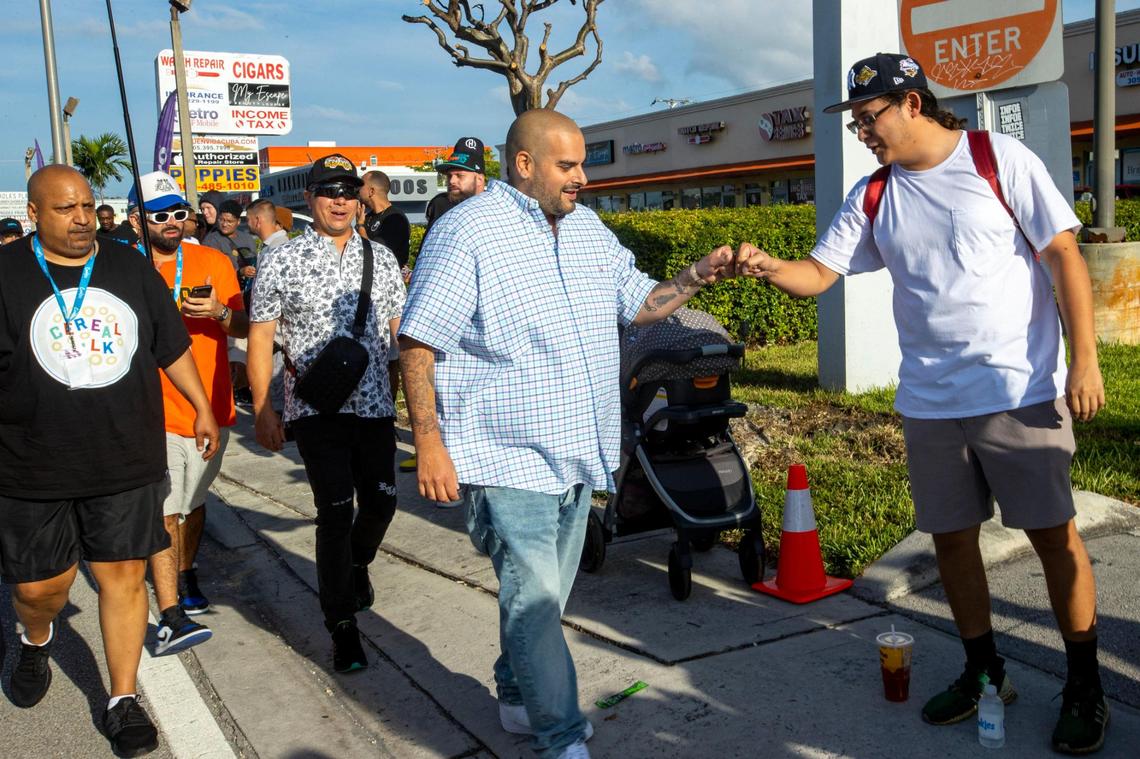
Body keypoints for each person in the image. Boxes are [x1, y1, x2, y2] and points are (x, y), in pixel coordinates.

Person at [738, 53, 1109, 755]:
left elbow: (1063, 252)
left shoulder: (997, 159)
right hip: (932, 404)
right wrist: (763, 266)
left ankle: (1085, 681)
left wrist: (1084, 360)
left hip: (1019, 391)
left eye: (869, 117)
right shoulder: (875, 194)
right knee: (951, 538)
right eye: (855, 121)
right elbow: (820, 273)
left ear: (912, 103)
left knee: (1053, 535)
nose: (862, 132)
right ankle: (983, 669)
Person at [399, 109, 739, 759]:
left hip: (577, 453)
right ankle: (559, 738)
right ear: (524, 164)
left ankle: (516, 694)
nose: (583, 176)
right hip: (503, 456)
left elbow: (638, 301)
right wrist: (430, 440)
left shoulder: (586, 229)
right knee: (533, 600)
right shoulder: (468, 230)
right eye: (568, 165)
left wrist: (696, 275)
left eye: (583, 163)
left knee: (542, 601)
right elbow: (418, 339)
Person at [0, 165, 219, 757]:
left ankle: (122, 699)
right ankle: (36, 634)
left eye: (86, 206)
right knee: (43, 586)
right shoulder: (5, 274)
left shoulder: (129, 267)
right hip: (31, 464)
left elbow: (168, 344)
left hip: (125, 456)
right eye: (65, 209)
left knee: (122, 577)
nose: (80, 219)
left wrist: (200, 405)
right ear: (35, 216)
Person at [247, 154, 405, 674]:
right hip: (314, 408)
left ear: (359, 197)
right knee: (335, 511)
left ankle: (356, 563)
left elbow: (400, 330)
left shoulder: (379, 258)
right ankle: (342, 625)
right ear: (310, 198)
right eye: (329, 190)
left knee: (381, 504)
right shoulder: (281, 260)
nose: (340, 200)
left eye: (348, 190)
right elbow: (261, 336)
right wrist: (265, 409)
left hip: (376, 404)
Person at [131, 171, 249, 655]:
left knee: (194, 503)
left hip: (210, 408)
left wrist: (219, 314)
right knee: (167, 508)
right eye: (161, 215)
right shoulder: (125, 266)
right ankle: (170, 600)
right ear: (139, 221)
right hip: (151, 412)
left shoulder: (213, 259)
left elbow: (246, 322)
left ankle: (184, 570)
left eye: (179, 212)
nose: (173, 222)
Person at [403, 137, 489, 475]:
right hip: (449, 328)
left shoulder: (503, 216)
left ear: (479, 177)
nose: (452, 180)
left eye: (461, 174)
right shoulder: (441, 208)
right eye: (450, 174)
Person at [358, 171, 411, 422]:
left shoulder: (395, 219)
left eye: (361, 186)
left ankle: (388, 416)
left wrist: (358, 227)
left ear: (371, 190)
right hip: (362, 295)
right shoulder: (367, 217)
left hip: (387, 299)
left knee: (391, 359)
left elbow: (380, 255)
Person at [423, 136, 487, 235]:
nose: (452, 181)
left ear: (479, 179)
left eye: (459, 175)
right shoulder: (440, 205)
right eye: (449, 176)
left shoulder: (497, 208)